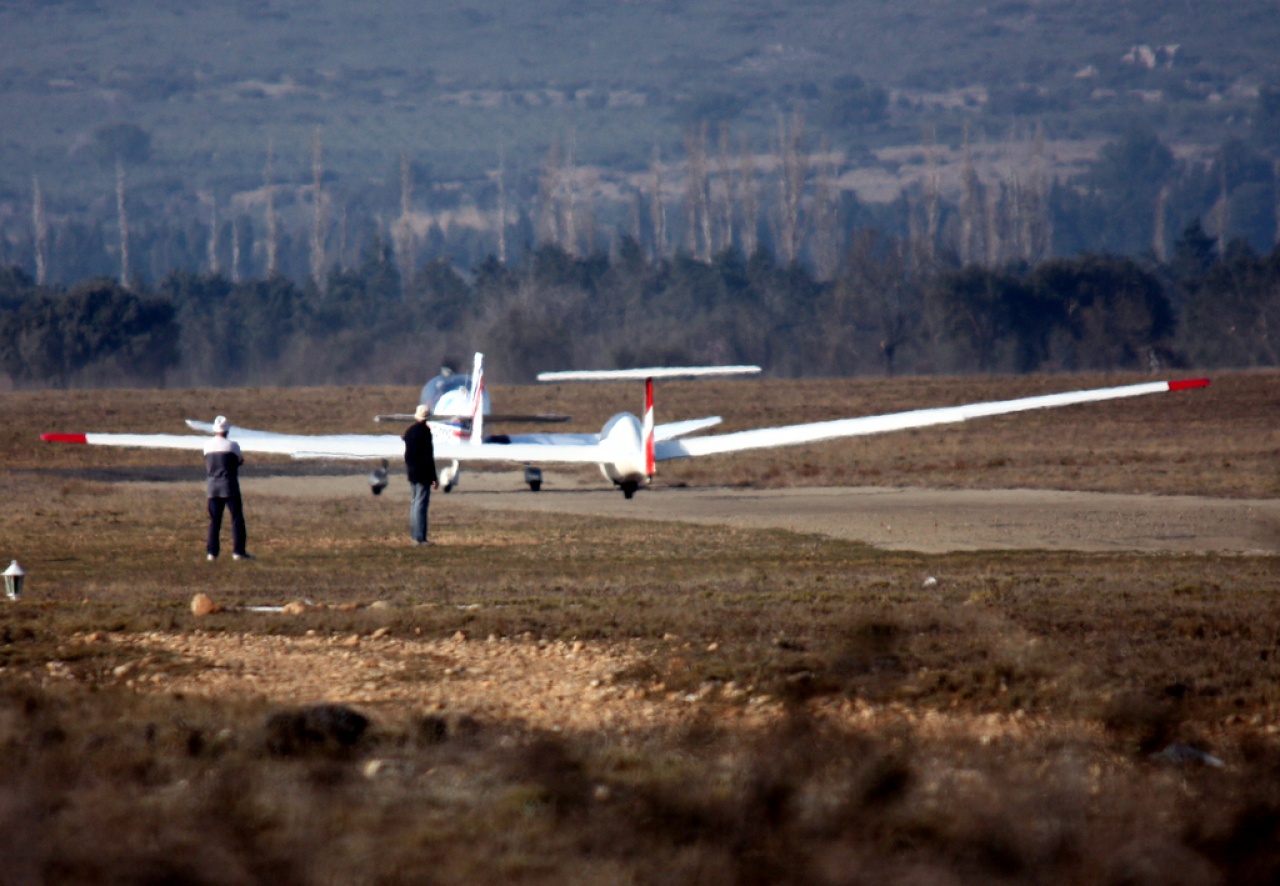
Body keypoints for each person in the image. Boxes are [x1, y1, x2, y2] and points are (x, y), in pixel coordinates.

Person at [204, 415, 252, 561]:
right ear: (227, 430)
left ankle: (212, 553)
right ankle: (238, 551)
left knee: (215, 521)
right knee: (236, 518)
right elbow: (239, 460)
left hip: (212, 487)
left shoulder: (207, 446)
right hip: (229, 485)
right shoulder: (233, 446)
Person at [403, 404, 439, 545]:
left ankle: (415, 536)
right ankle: (419, 538)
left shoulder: (410, 431)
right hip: (423, 473)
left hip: (412, 472)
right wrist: (433, 477)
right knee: (421, 505)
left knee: (414, 503)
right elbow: (428, 457)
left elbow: (407, 454)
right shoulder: (425, 432)